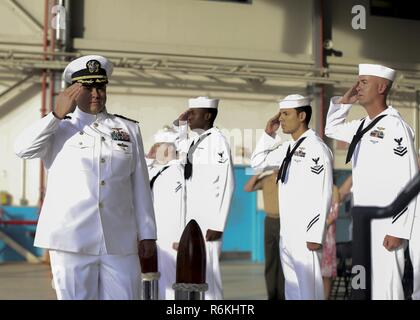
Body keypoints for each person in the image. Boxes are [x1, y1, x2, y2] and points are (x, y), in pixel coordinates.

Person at [14, 55, 157, 300]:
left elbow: (140, 186)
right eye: (88, 88)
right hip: (71, 239)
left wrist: (148, 234)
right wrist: (55, 115)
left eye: (100, 87)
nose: (96, 94)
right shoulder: (58, 128)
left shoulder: (128, 129)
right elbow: (22, 149)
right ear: (73, 90)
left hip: (119, 239)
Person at [325, 63, 418, 300]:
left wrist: (398, 229)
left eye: (364, 82)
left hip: (387, 222)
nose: (358, 86)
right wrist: (344, 102)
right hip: (364, 222)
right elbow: (331, 128)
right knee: (366, 287)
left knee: (386, 289)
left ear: (382, 87)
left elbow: (408, 179)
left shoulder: (395, 126)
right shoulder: (362, 127)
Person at [251, 94, 333, 300]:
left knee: (309, 294)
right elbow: (257, 163)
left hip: (306, 236)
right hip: (287, 234)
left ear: (302, 115)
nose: (281, 119)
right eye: (280, 114)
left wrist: (315, 235)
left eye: (286, 114)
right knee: (293, 293)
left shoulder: (316, 148)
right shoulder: (287, 148)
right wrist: (268, 135)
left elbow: (322, 192)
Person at [175, 96, 235, 300]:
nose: (189, 116)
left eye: (194, 113)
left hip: (209, 221)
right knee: (195, 274)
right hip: (194, 218)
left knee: (209, 273)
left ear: (208, 115)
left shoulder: (218, 141)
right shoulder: (197, 141)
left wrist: (218, 223)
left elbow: (227, 182)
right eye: (188, 112)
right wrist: (182, 124)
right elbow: (180, 148)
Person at [145, 127, 184, 300]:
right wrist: (148, 157)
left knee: (171, 281)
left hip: (173, 235)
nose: (155, 149)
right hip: (155, 234)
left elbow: (185, 205)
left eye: (159, 146)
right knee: (157, 280)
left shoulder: (180, 171)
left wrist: (182, 234)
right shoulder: (155, 169)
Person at [244, 170, 285, 300]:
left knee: (284, 261)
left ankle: (283, 295)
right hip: (270, 221)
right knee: (271, 260)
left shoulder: (288, 176)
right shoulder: (266, 179)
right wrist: (258, 173)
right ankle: (271, 294)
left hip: (285, 222)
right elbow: (247, 188)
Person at [321, 184, 340, 299]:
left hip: (327, 235)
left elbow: (334, 213)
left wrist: (321, 227)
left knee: (326, 272)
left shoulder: (333, 189)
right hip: (313, 233)